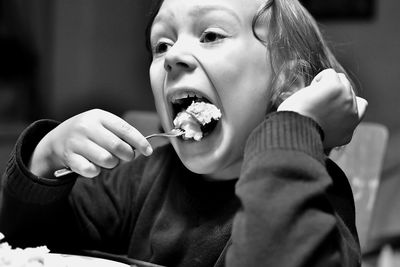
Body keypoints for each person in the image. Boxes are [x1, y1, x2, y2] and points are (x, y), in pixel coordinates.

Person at [0, 0, 368, 266]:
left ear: (289, 85)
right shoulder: (140, 176)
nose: (174, 56)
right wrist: (45, 158)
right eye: (162, 45)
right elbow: (28, 244)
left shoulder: (311, 193)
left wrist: (293, 126)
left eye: (210, 34)